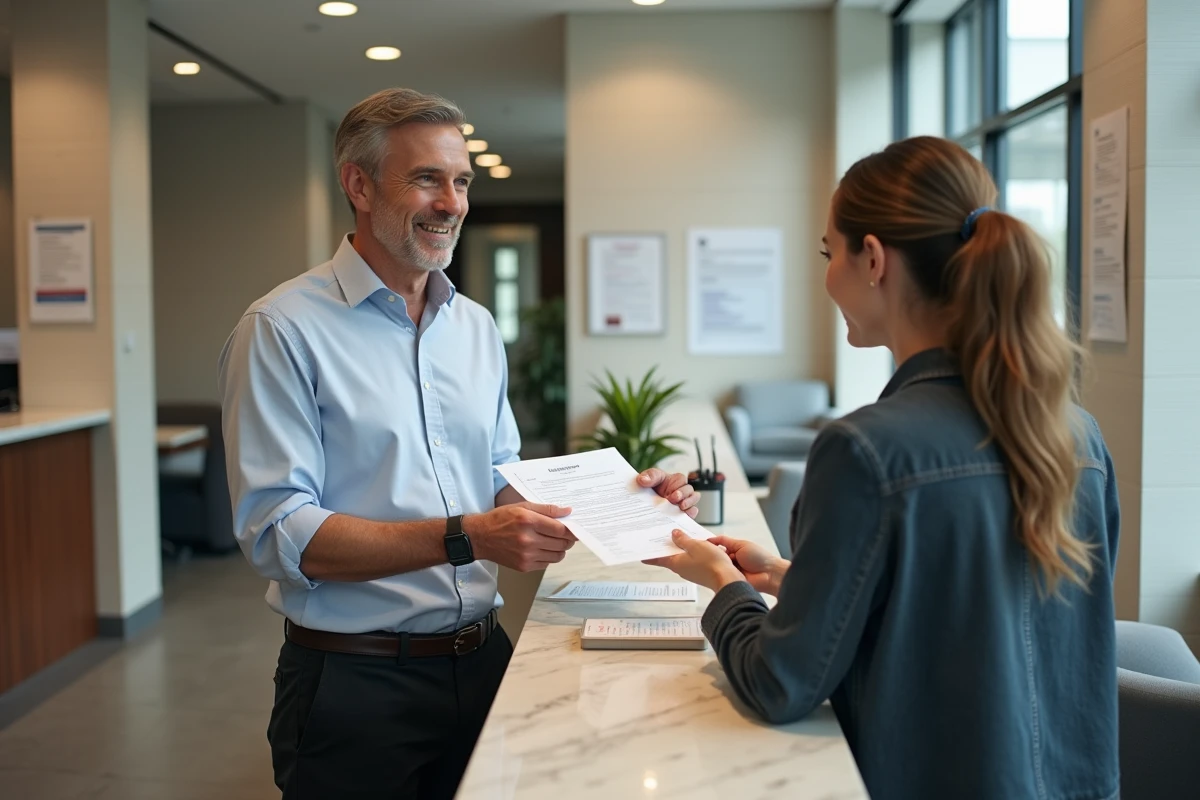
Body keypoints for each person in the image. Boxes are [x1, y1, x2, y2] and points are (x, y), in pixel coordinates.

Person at [218, 87, 700, 800]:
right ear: (358, 184)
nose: (453, 203)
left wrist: (629, 501)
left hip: (483, 663)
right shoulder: (282, 330)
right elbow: (279, 533)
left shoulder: (473, 327)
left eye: (462, 180)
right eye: (425, 179)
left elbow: (502, 482)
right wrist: (466, 537)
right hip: (354, 684)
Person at [647, 136, 1120, 800]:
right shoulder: (1079, 437)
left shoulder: (865, 450)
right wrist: (792, 578)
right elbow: (996, 620)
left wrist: (725, 584)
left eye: (827, 252)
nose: (826, 274)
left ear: (872, 258)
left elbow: (780, 683)